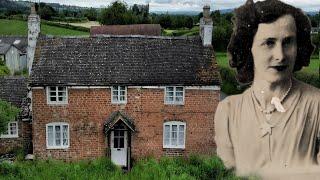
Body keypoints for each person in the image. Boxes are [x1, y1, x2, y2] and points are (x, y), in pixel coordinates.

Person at [214, 0, 320, 176]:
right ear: (249, 48)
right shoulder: (228, 111)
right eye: (269, 43)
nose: (280, 55)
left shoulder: (316, 105)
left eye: (288, 42)